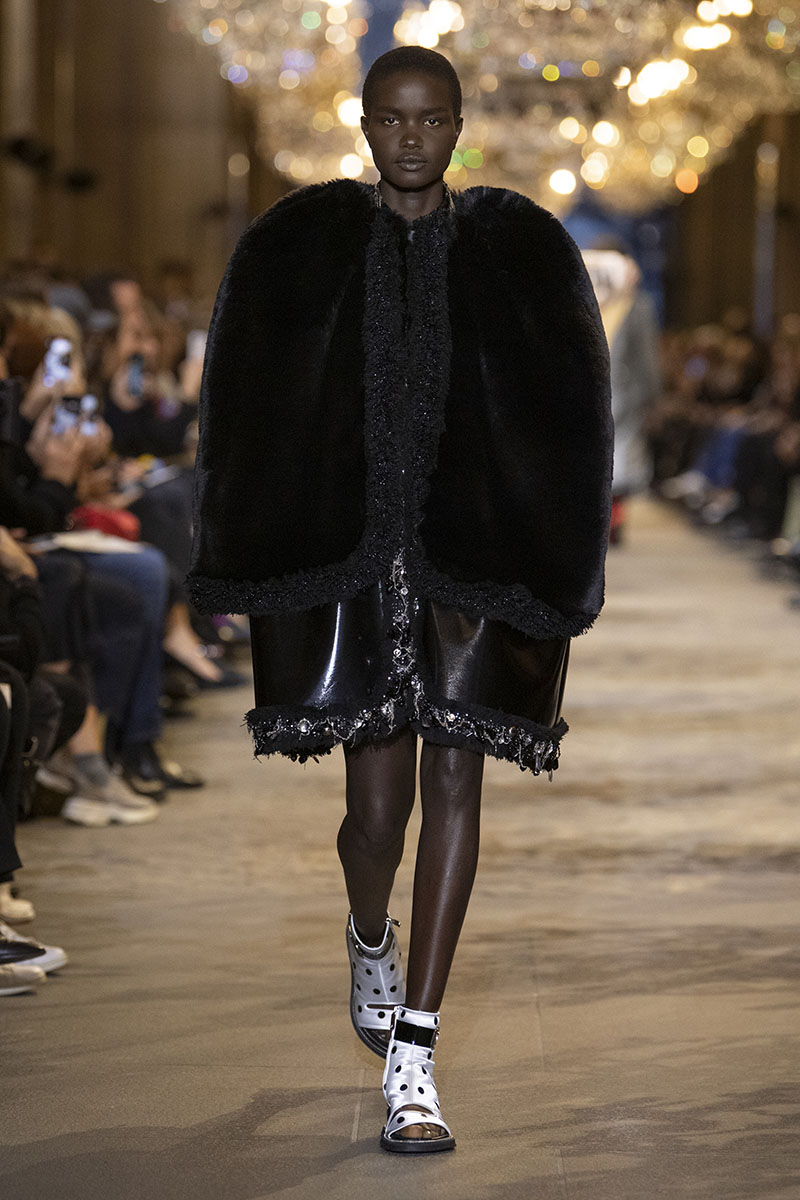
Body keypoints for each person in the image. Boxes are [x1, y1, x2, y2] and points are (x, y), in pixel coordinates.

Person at [189, 47, 612, 1154]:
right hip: (350, 562)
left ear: (458, 127)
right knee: (376, 818)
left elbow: (570, 412)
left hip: (475, 558)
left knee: (456, 787)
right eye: (391, 119)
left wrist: (557, 557)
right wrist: (241, 548)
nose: (410, 138)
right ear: (364, 124)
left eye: (430, 120)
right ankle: (368, 932)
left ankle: (414, 1056)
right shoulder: (302, 246)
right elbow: (246, 408)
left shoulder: (520, 252)